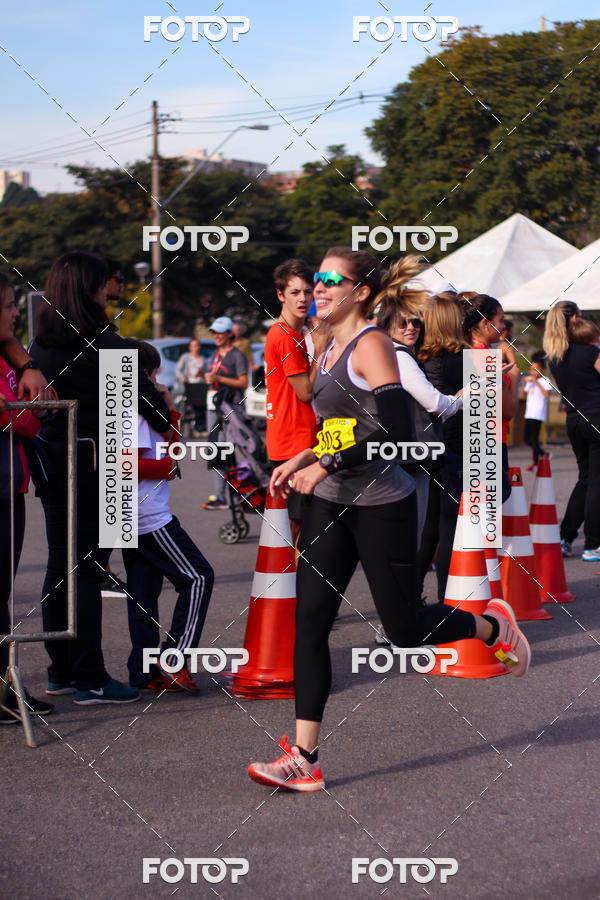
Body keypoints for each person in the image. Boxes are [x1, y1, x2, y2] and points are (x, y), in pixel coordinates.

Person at [247, 247, 531, 792]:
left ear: (360, 293)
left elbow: (393, 433)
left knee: (404, 631)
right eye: (317, 279)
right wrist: (303, 459)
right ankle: (305, 758)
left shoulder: (372, 345)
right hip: (332, 498)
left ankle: (492, 626)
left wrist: (323, 461)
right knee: (309, 625)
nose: (319, 287)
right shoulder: (322, 343)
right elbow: (339, 426)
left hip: (384, 503)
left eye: (331, 280)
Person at [30, 251, 173, 705]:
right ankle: (92, 677)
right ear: (92, 288)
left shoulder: (41, 344)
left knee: (61, 568)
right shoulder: (105, 345)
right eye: (109, 281)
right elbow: (156, 411)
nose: (116, 288)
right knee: (89, 572)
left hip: (53, 461)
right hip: (98, 465)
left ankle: (62, 670)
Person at [122, 341, 214, 692]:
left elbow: (172, 445)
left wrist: (170, 407)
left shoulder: (145, 407)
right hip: (147, 513)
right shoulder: (132, 410)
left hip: (137, 511)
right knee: (199, 577)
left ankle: (144, 672)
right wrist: (166, 468)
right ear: (145, 374)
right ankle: (174, 657)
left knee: (144, 591)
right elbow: (122, 463)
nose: (158, 378)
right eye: (153, 372)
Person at [0, 273, 54, 723]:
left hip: (10, 487)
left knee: (5, 594)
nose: (16, 312)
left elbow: (29, 418)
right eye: (8, 305)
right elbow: (18, 417)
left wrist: (26, 366)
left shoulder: (10, 355)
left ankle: (4, 685)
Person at [265, 259, 329, 547]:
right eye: (294, 292)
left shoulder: (296, 334)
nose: (303, 299)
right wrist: (322, 348)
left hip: (301, 440)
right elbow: (305, 391)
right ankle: (288, 592)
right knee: (295, 535)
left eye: (307, 292)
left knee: (303, 532)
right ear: (280, 295)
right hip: (294, 444)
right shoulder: (284, 335)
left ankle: (295, 590)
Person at [416, 294, 471, 603]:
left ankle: (410, 598)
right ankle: (447, 601)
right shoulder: (461, 359)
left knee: (430, 528)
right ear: (453, 322)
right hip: (454, 447)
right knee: (450, 526)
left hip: (427, 447)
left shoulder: (420, 357)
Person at [543, 300, 600, 560]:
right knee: (596, 482)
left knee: (585, 478)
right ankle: (592, 544)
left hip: (574, 419)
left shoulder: (555, 356)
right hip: (596, 417)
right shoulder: (590, 352)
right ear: (575, 319)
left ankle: (565, 538)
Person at [202, 316, 248, 510]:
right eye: (214, 332)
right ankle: (220, 496)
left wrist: (219, 378)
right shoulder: (215, 354)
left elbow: (243, 382)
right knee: (216, 450)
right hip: (213, 406)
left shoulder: (237, 355)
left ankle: (240, 494)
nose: (217, 336)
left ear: (230, 334)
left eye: (221, 332)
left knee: (231, 450)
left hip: (229, 408)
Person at [520, 351, 551, 472]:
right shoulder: (530, 383)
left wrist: (536, 382)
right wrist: (523, 384)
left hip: (538, 413)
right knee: (526, 439)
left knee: (533, 438)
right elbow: (522, 396)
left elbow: (547, 395)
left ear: (542, 370)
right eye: (532, 369)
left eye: (536, 369)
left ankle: (535, 463)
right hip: (529, 413)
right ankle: (544, 454)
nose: (533, 372)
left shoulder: (545, 380)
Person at [175, 339, 207, 435]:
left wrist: (202, 375)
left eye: (196, 345)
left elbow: (205, 373)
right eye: (193, 345)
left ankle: (200, 425)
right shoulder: (185, 357)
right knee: (192, 402)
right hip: (188, 385)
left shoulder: (203, 359)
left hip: (200, 385)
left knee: (202, 403)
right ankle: (195, 424)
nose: (195, 348)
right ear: (190, 347)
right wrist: (182, 378)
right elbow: (178, 370)